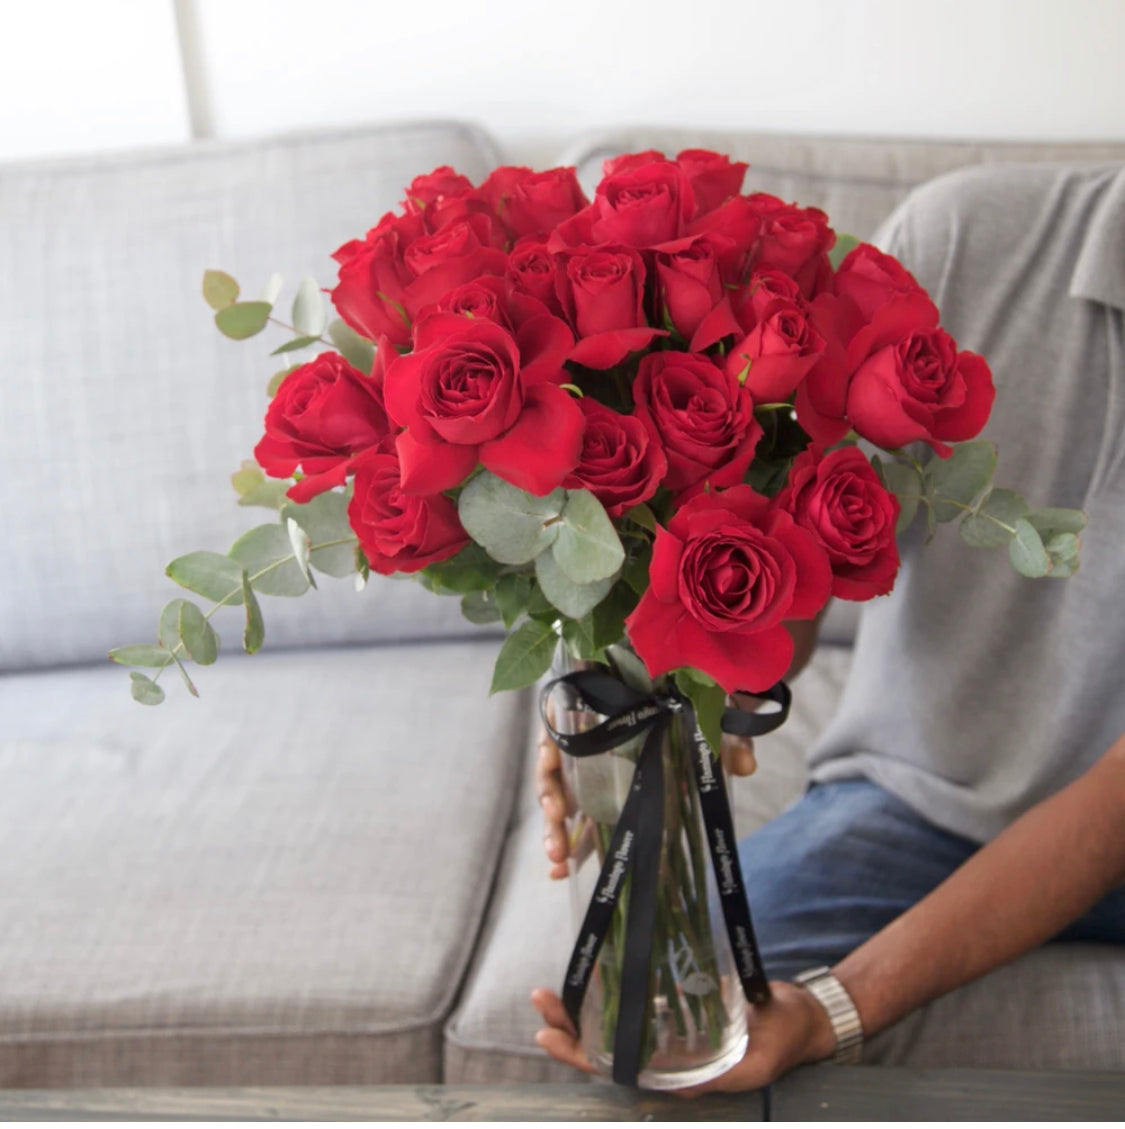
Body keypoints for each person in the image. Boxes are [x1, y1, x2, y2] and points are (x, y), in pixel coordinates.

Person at [530, 161, 1125, 1092]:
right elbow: (794, 584)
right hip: (910, 804)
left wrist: (832, 1008)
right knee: (654, 1021)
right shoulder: (963, 238)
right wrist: (632, 714)